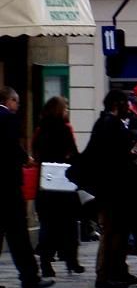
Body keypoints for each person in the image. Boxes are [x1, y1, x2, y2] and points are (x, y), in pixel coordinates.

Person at [77, 89, 137, 288]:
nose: (129, 107)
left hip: (114, 188)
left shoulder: (107, 124)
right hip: (112, 189)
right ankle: (105, 274)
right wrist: (134, 153)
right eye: (126, 103)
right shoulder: (109, 125)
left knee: (119, 232)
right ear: (117, 104)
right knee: (112, 231)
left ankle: (118, 271)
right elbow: (114, 157)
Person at [0, 87, 54, 288]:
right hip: (8, 186)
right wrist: (26, 159)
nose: (19, 106)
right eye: (17, 102)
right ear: (9, 101)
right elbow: (11, 147)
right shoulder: (8, 119)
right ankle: (30, 277)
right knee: (18, 234)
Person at [33, 95, 83, 276]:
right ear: (59, 110)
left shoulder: (41, 129)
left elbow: (36, 152)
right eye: (65, 107)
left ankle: (46, 263)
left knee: (48, 225)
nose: (67, 111)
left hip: (46, 184)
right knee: (69, 225)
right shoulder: (64, 129)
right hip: (63, 185)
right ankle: (72, 260)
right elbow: (73, 154)